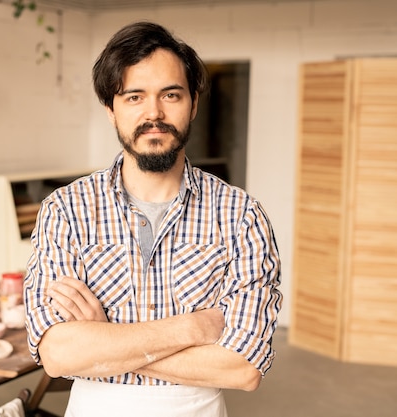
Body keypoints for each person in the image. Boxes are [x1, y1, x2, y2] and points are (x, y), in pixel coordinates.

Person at [24, 21, 282, 417]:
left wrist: (103, 340)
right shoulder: (66, 210)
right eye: (134, 97)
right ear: (111, 109)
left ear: (193, 103)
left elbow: (243, 368)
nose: (154, 113)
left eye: (171, 94)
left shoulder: (242, 217)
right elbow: (58, 355)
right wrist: (193, 329)